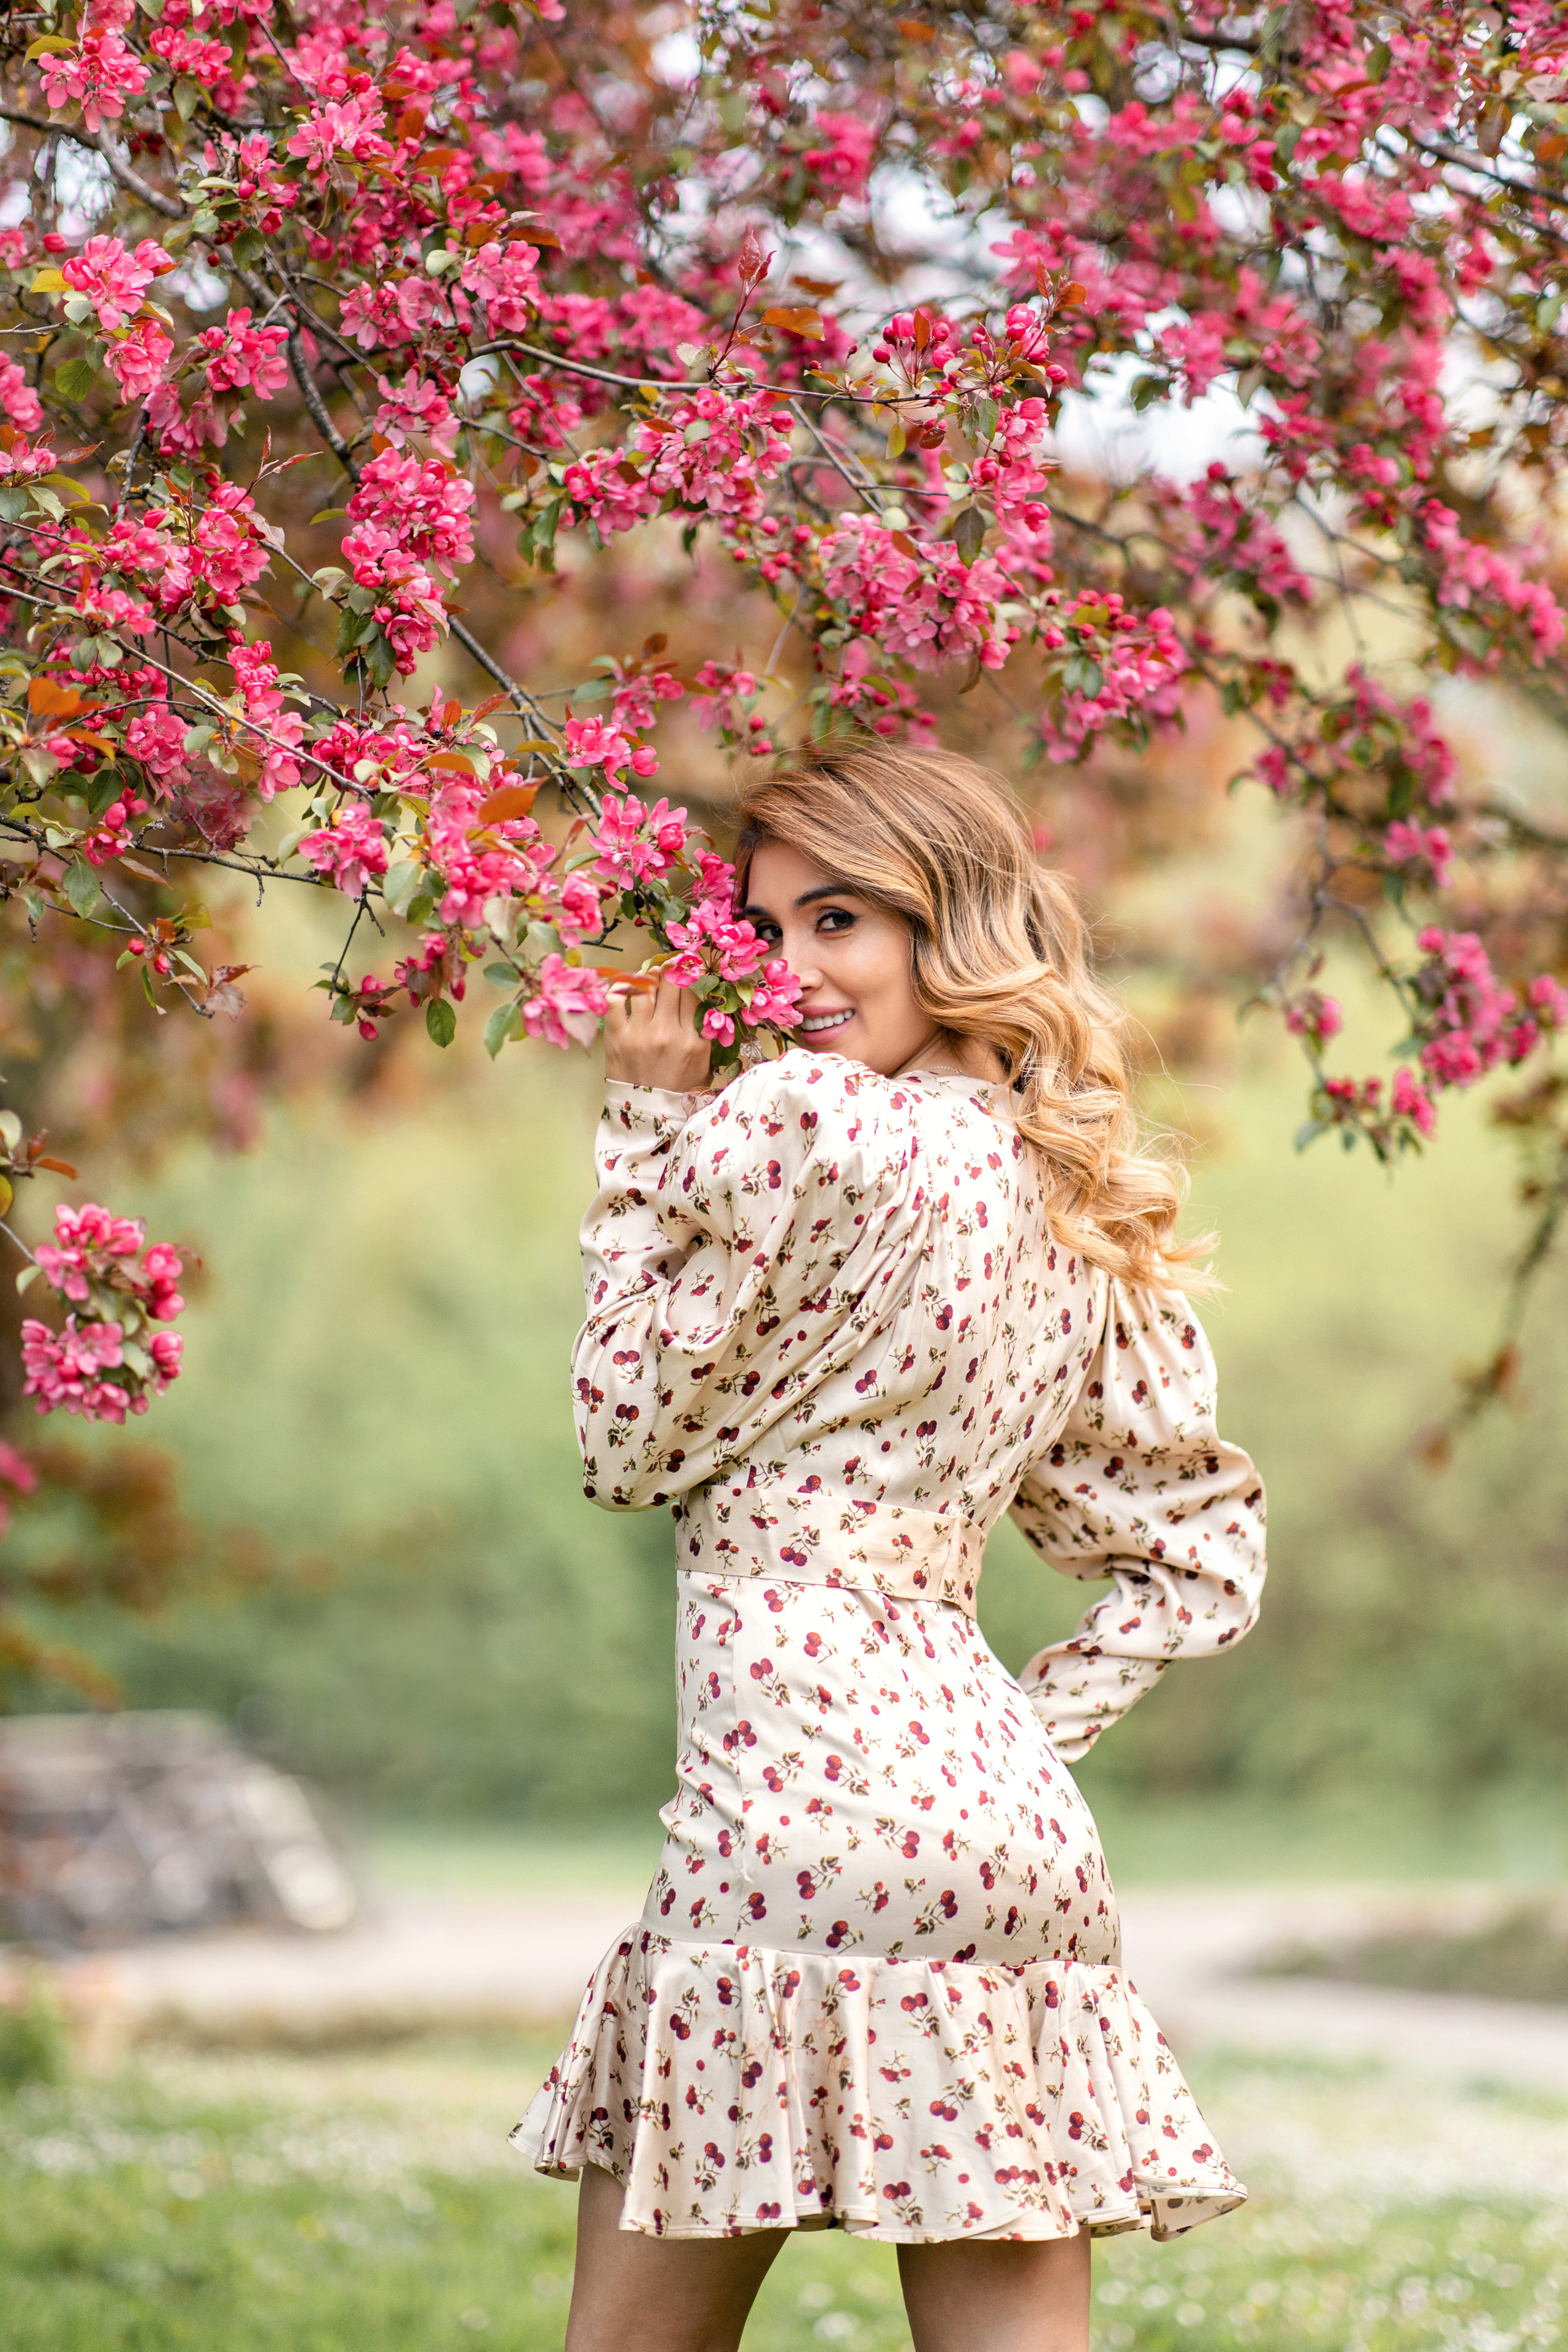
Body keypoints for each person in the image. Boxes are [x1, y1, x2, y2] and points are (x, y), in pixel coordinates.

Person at [511, 745, 1267, 2352]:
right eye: (764, 927)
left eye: (838, 919)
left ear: (951, 923)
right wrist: (1020, 1739)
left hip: (785, 1824)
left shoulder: (800, 1123)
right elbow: (1195, 1552)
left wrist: (645, 1125)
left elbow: (625, 1440)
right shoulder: (1071, 1196)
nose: (788, 970)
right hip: (1015, 1846)